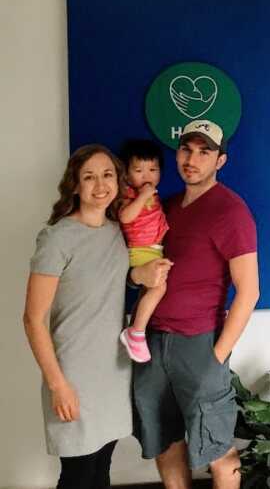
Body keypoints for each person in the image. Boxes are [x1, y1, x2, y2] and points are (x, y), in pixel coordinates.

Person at [22, 144, 170, 489]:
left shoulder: (118, 231)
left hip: (113, 372)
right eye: (89, 177)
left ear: (119, 182)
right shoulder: (57, 238)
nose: (100, 184)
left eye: (107, 175)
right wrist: (58, 384)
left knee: (101, 469)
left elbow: (112, 278)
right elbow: (32, 319)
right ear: (74, 184)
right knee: (78, 474)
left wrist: (140, 276)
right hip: (73, 374)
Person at [130, 119, 259, 489]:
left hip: (200, 343)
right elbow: (136, 266)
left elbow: (248, 291)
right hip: (151, 343)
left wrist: (217, 355)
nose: (193, 159)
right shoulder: (162, 207)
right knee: (164, 441)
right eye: (187, 149)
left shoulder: (230, 212)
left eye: (205, 152)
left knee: (219, 449)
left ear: (220, 161)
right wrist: (139, 277)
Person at [118, 139, 170, 363]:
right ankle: (136, 333)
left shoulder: (153, 195)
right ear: (127, 175)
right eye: (138, 170)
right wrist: (142, 197)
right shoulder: (129, 194)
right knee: (159, 287)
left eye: (152, 169)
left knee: (147, 292)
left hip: (152, 249)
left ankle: (135, 328)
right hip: (141, 250)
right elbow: (125, 217)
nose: (146, 175)